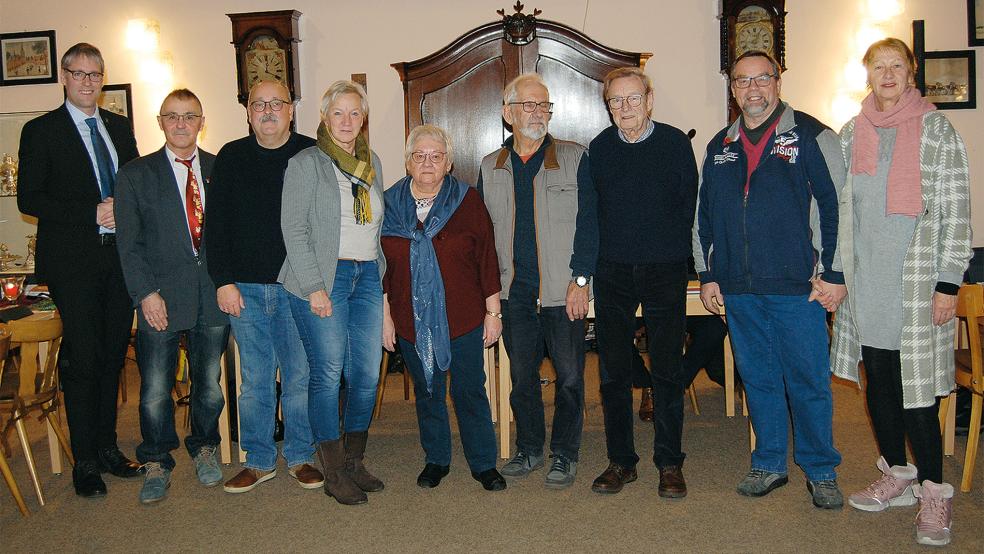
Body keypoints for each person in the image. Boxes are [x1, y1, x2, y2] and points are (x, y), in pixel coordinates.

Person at [831, 38, 971, 546]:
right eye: (878, 67)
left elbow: (956, 210)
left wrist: (948, 283)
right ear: (867, 75)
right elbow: (839, 209)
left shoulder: (937, 130)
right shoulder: (852, 132)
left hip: (917, 285)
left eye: (896, 66)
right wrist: (836, 274)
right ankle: (897, 474)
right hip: (867, 283)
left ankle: (934, 492)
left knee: (917, 394)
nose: (887, 74)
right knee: (880, 385)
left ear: (911, 73)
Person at [693, 50, 846, 509]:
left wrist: (834, 273)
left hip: (798, 287)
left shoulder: (812, 136)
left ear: (778, 82)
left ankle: (820, 470)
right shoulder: (720, 145)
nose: (753, 88)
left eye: (762, 78)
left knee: (808, 381)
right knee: (757, 379)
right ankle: (769, 462)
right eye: (743, 81)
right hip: (739, 288)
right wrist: (708, 273)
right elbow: (704, 216)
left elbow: (837, 208)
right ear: (733, 89)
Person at [17, 42, 142, 498]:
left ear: (102, 79)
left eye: (95, 74)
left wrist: (126, 209)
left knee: (112, 356)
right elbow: (30, 198)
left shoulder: (119, 127)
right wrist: (93, 213)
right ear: (64, 77)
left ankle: (108, 448)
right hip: (73, 263)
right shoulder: (41, 130)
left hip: (118, 259)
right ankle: (84, 460)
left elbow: (135, 181)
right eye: (79, 73)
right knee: (84, 358)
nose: (87, 82)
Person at [478, 73, 597, 489]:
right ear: (507, 113)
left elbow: (590, 224)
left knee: (570, 378)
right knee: (522, 378)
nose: (537, 113)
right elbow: (482, 237)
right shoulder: (490, 166)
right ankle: (529, 448)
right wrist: (489, 294)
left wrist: (581, 279)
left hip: (563, 291)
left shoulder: (574, 157)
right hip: (515, 292)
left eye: (544, 105)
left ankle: (565, 453)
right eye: (528, 105)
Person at [205, 80, 323, 494]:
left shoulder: (312, 154)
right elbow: (216, 226)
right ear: (248, 112)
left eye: (277, 103)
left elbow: (325, 223)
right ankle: (258, 461)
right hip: (246, 290)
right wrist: (223, 281)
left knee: (299, 376)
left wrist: (318, 284)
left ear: (291, 110)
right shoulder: (231, 156)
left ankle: (301, 455)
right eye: (259, 104)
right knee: (255, 379)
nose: (268, 110)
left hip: (297, 287)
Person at [114, 89, 230, 503]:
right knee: (154, 389)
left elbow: (231, 235)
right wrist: (146, 293)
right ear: (160, 122)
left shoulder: (220, 169)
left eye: (190, 116)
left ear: (202, 122)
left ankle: (205, 446)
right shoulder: (135, 175)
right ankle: (157, 460)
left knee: (209, 384)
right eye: (173, 116)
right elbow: (128, 244)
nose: (181, 124)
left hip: (211, 296)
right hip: (158, 299)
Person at [588, 66, 699, 498]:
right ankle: (621, 461)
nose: (625, 107)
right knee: (613, 372)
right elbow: (591, 213)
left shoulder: (674, 144)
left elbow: (688, 207)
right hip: (612, 271)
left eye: (633, 98)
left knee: (667, 369)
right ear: (608, 106)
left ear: (649, 101)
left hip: (664, 269)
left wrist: (682, 259)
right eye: (616, 101)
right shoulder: (600, 148)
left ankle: (670, 461)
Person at [382, 125, 505, 492]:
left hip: (463, 316)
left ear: (449, 163)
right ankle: (436, 459)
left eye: (436, 156)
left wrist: (493, 313)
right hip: (409, 317)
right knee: (427, 390)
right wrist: (385, 317)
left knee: (469, 390)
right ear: (407, 162)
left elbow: (487, 258)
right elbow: (379, 268)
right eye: (419, 156)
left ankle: (484, 463)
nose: (427, 163)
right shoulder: (388, 204)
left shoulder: (468, 201)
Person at [280, 80, 385, 506]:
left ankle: (355, 461)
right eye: (338, 112)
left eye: (354, 113)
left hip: (367, 276)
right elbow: (294, 229)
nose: (346, 121)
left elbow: (376, 226)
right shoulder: (306, 163)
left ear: (363, 119)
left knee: (366, 375)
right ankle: (334, 471)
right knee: (327, 374)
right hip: (324, 278)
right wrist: (314, 287)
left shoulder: (372, 161)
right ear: (324, 117)